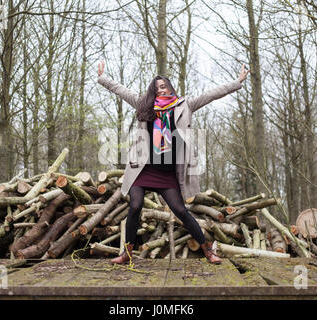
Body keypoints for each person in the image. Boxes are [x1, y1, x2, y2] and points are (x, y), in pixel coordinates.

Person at [97, 60, 249, 264]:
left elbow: (212, 94)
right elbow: (121, 90)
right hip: (143, 170)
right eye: (158, 86)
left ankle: (207, 250)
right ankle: (126, 253)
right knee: (135, 206)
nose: (161, 88)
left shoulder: (185, 105)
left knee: (180, 211)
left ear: (170, 87)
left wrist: (237, 82)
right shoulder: (144, 104)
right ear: (154, 90)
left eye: (164, 85)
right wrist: (102, 78)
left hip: (167, 173)